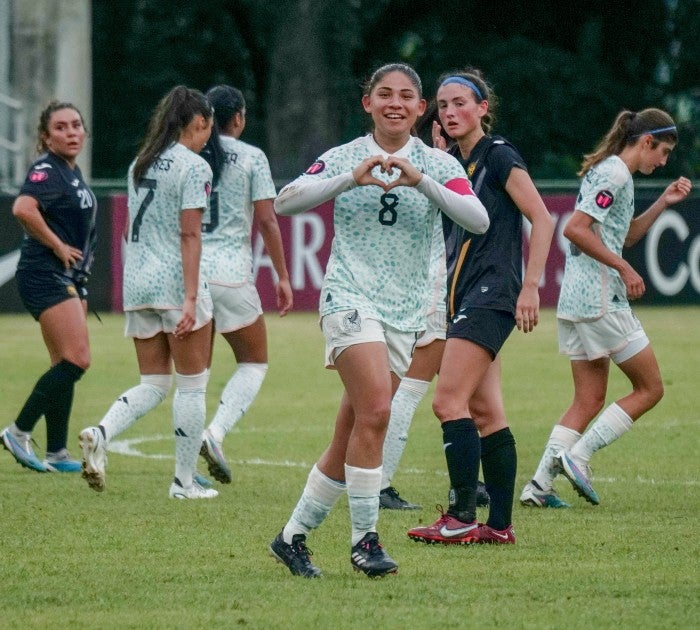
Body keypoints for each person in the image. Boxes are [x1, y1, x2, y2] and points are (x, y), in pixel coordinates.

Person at [268, 62, 489, 578]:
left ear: (419, 108)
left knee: (352, 432)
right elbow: (284, 202)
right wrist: (350, 178)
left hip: (405, 311)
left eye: (406, 96)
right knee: (376, 412)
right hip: (350, 298)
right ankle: (365, 540)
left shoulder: (437, 163)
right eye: (384, 94)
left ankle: (291, 537)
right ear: (367, 103)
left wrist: (421, 182)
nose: (395, 102)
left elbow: (478, 219)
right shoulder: (344, 155)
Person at [406, 68, 553, 545]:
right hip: (464, 295)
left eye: (459, 103)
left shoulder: (498, 154)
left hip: (491, 295)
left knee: (448, 401)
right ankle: (500, 526)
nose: (449, 112)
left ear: (482, 108)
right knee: (486, 413)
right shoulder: (453, 163)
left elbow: (543, 219)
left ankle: (462, 515)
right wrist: (435, 157)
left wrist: (531, 287)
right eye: (443, 106)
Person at [520, 109, 692, 507]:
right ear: (646, 141)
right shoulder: (615, 174)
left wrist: (664, 201)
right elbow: (575, 229)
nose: (663, 162)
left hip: (576, 299)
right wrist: (624, 267)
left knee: (588, 399)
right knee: (650, 389)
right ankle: (577, 456)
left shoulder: (613, 173)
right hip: (600, 298)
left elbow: (624, 234)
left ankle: (538, 486)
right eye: (663, 153)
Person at [79, 85, 218, 499]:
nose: (208, 135)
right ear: (199, 123)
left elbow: (126, 229)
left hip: (138, 281)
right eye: (206, 128)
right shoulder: (194, 167)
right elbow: (189, 233)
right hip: (175, 283)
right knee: (192, 386)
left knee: (154, 382)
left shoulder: (141, 162)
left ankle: (102, 433)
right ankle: (184, 482)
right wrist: (191, 298)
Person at [197, 84, 293, 485]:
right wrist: (282, 276)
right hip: (230, 273)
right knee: (253, 362)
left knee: (191, 377)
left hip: (188, 272)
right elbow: (268, 220)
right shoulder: (251, 156)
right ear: (237, 118)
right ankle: (215, 433)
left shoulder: (186, 154)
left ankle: (183, 472)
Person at [1, 100, 96, 474]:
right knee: (77, 359)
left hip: (68, 277)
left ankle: (56, 451)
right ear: (45, 137)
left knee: (64, 362)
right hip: (44, 273)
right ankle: (18, 431)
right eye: (60, 127)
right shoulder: (47, 169)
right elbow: (23, 209)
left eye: (75, 125)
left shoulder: (69, 171)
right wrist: (57, 246)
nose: (70, 132)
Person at [378, 211, 491, 510]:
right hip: (438, 293)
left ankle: (470, 480)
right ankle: (378, 484)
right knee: (411, 390)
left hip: (443, 290)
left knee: (468, 397)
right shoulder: (442, 173)